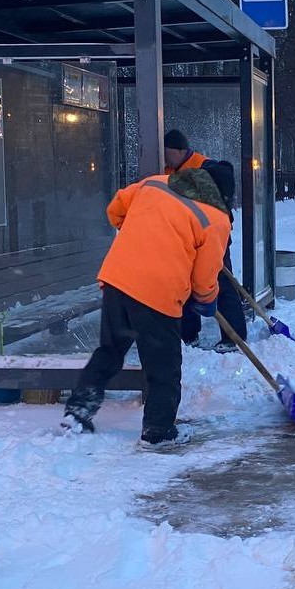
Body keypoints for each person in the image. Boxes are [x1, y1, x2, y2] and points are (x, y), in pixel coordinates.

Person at [61, 166, 231, 451]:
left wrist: (143, 231)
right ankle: (158, 430)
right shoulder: (216, 219)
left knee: (110, 350)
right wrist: (208, 298)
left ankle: (78, 411)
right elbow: (203, 282)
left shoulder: (154, 184)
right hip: (158, 292)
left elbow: (115, 210)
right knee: (163, 366)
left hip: (119, 278)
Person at [163, 129, 248, 353]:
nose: (165, 158)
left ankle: (234, 336)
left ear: (180, 150)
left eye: (168, 153)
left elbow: (222, 186)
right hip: (189, 236)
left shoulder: (204, 166)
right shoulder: (173, 169)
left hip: (212, 235)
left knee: (220, 282)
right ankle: (188, 334)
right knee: (187, 282)